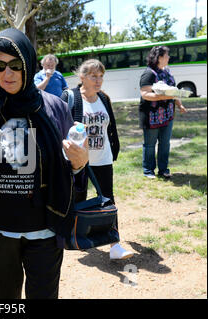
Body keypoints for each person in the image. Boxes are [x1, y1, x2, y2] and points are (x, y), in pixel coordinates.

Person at [0, 28, 88, 299]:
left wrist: (81, 162)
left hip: (45, 232)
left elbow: (74, 166)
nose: (7, 73)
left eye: (15, 64)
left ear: (27, 63)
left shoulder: (55, 108)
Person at [60, 59, 133, 260]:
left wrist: (115, 148)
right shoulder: (71, 97)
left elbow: (111, 128)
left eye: (101, 76)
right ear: (82, 77)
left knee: (108, 199)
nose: (98, 80)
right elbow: (59, 124)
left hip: (103, 158)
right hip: (78, 161)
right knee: (76, 199)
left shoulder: (104, 98)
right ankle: (72, 236)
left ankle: (115, 245)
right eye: (94, 76)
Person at [139, 46, 187, 179]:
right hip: (151, 116)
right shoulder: (148, 73)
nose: (169, 57)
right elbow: (145, 94)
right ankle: (148, 171)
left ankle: (163, 169)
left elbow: (174, 91)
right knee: (149, 145)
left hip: (167, 115)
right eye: (166, 55)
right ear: (159, 57)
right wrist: (163, 97)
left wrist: (180, 105)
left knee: (165, 143)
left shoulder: (167, 72)